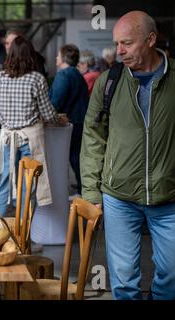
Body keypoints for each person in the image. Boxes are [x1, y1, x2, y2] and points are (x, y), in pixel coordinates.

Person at [81, 11, 175, 300]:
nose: (118, 51)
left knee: (171, 275)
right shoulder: (109, 82)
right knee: (123, 281)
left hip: (168, 196)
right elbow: (93, 137)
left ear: (151, 39)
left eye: (127, 44)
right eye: (116, 43)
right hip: (118, 196)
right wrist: (91, 191)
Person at [0, 36, 65, 216]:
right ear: (30, 55)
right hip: (29, 138)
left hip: (8, 137)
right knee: (28, 183)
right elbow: (47, 112)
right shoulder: (36, 79)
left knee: (5, 182)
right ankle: (23, 235)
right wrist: (58, 120)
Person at [49, 44, 89, 195]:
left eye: (58, 55)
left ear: (64, 58)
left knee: (68, 159)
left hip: (69, 123)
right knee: (77, 157)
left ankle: (74, 191)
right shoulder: (78, 74)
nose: (56, 58)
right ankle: (82, 189)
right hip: (80, 121)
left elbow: (55, 102)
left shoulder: (64, 75)